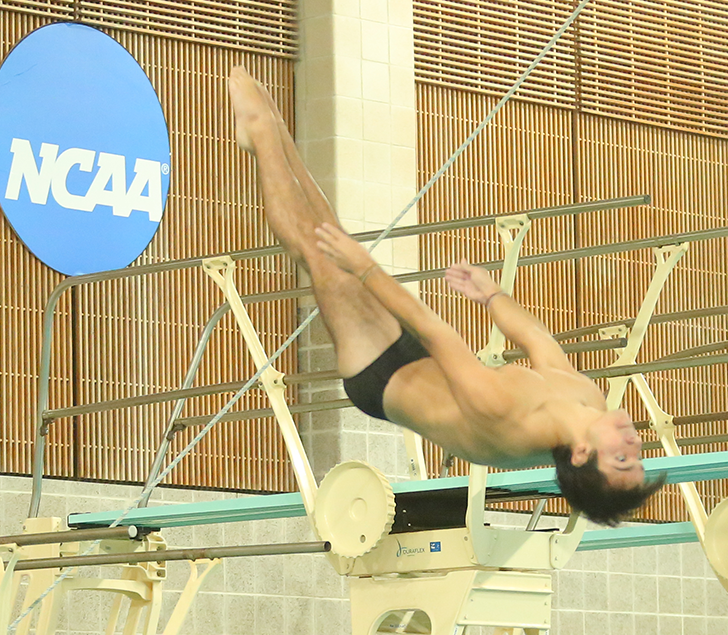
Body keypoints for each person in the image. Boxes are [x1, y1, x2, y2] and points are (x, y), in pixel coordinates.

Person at [227, 67, 662, 525]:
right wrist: (493, 296)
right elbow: (538, 341)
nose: (634, 445)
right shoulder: (587, 401)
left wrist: (365, 266)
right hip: (422, 362)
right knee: (330, 236)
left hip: (383, 376)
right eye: (638, 458)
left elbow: (436, 333)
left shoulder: (509, 418)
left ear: (580, 455)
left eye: (622, 460)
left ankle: (261, 136)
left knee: (321, 258)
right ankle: (275, 133)